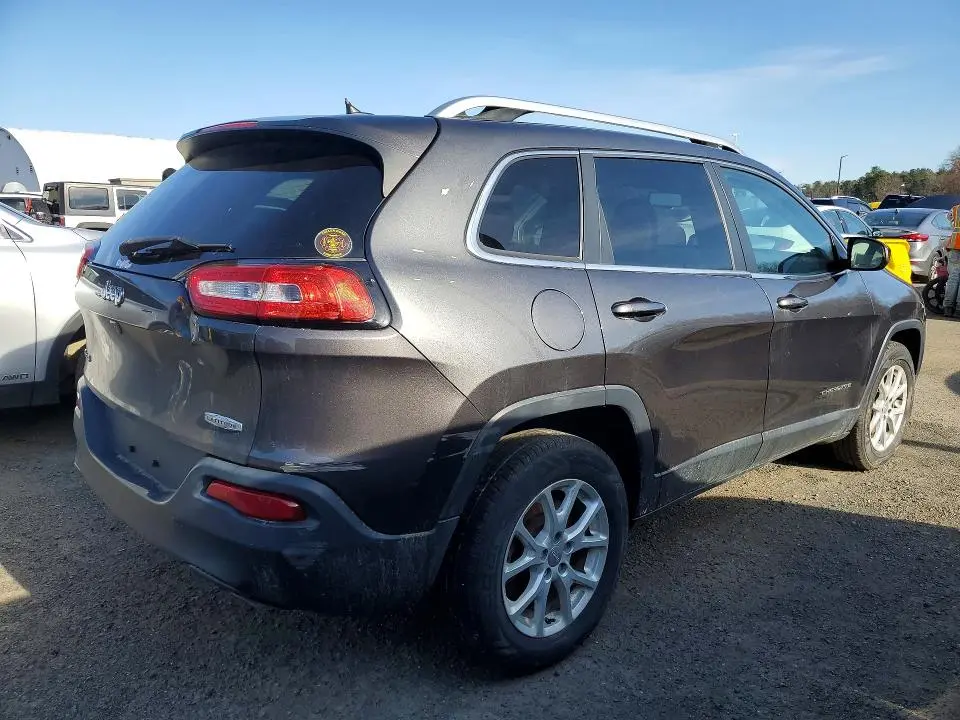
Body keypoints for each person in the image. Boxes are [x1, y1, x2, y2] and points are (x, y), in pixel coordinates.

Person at [944, 204, 960, 318]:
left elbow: (949, 219)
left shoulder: (955, 209)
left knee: (953, 277)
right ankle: (959, 309)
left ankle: (948, 308)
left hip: (955, 245)